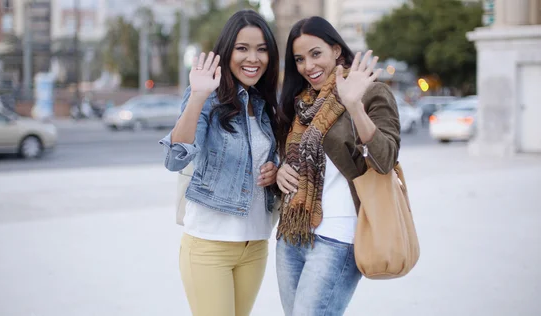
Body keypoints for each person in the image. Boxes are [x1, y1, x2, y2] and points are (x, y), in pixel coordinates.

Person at [274, 16, 401, 315]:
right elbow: (292, 155)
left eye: (316, 54)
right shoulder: (300, 104)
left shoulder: (371, 93)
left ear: (336, 50)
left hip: (338, 237)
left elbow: (386, 160)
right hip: (292, 235)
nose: (308, 66)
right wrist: (280, 169)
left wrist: (354, 106)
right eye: (300, 59)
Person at [159, 10, 280, 316]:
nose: (253, 58)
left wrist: (274, 171)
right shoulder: (207, 98)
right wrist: (198, 96)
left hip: (255, 244)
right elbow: (174, 158)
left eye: (261, 49)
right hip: (209, 244)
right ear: (227, 52)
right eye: (242, 48)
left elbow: (261, 159)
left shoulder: (263, 105)